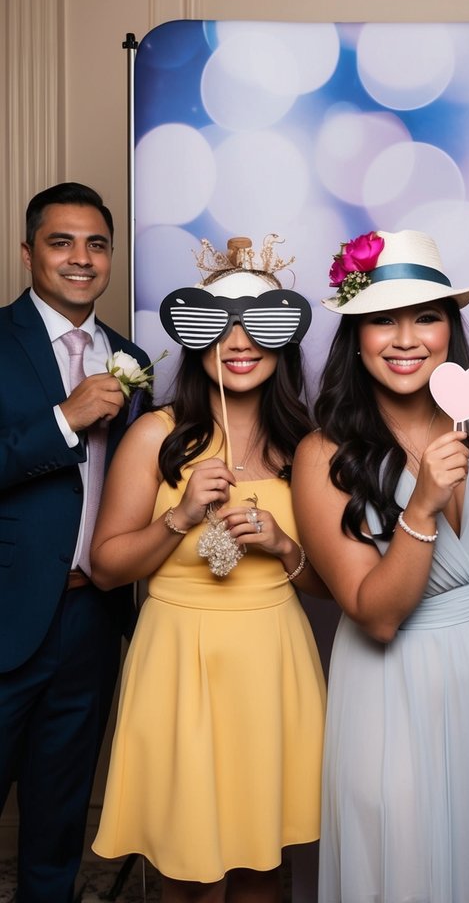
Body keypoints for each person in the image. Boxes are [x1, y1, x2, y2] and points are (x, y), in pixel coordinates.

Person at [292, 228, 469, 903]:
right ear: (355, 337)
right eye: (382, 320)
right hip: (397, 693)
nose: (406, 338)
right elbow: (377, 617)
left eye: (426, 316)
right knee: (408, 868)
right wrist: (419, 508)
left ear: (451, 329)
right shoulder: (321, 456)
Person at [90, 235, 326, 903]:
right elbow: (106, 569)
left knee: (262, 868)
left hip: (271, 659)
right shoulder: (154, 435)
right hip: (177, 663)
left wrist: (283, 546)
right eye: (219, 326)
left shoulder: (304, 445)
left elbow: (328, 586)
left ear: (282, 337)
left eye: (258, 324)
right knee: (188, 874)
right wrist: (179, 517)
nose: (239, 341)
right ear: (196, 339)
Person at [0, 181, 150, 903]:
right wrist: (64, 421)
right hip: (5, 615)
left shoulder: (130, 357)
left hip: (93, 618)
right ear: (28, 252)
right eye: (61, 242)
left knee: (57, 829)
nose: (80, 259)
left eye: (96, 244)